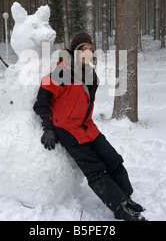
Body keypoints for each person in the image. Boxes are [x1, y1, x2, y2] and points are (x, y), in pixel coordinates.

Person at [33, 31, 146, 221]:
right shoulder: (61, 72)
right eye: (83, 49)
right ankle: (119, 208)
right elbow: (41, 103)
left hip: (87, 127)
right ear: (74, 51)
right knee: (95, 169)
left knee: (113, 159)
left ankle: (126, 198)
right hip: (68, 129)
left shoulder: (89, 74)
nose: (87, 53)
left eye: (90, 50)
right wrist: (49, 128)